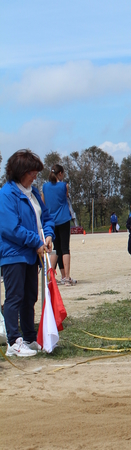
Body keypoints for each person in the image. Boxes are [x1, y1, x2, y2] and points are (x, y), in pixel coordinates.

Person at [0, 150, 54, 356]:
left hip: (32, 254)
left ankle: (30, 337)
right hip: (13, 254)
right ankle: (13, 342)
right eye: (32, 171)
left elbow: (46, 217)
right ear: (20, 171)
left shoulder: (32, 193)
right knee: (15, 297)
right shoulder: (6, 195)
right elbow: (9, 228)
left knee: (30, 297)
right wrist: (36, 242)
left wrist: (48, 235)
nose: (35, 176)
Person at [42, 163, 76, 285]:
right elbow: (66, 197)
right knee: (65, 249)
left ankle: (50, 277)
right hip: (63, 219)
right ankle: (66, 278)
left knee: (55, 249)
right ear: (60, 173)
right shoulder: (64, 186)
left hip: (51, 221)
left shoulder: (45, 187)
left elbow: (43, 202)